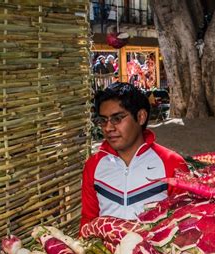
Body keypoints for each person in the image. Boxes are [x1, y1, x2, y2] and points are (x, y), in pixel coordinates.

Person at [80, 82, 188, 229]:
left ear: (141, 116)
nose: (108, 127)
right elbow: (88, 221)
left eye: (117, 118)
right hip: (104, 251)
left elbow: (185, 221)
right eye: (103, 120)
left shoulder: (172, 163)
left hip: (155, 250)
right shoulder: (94, 165)